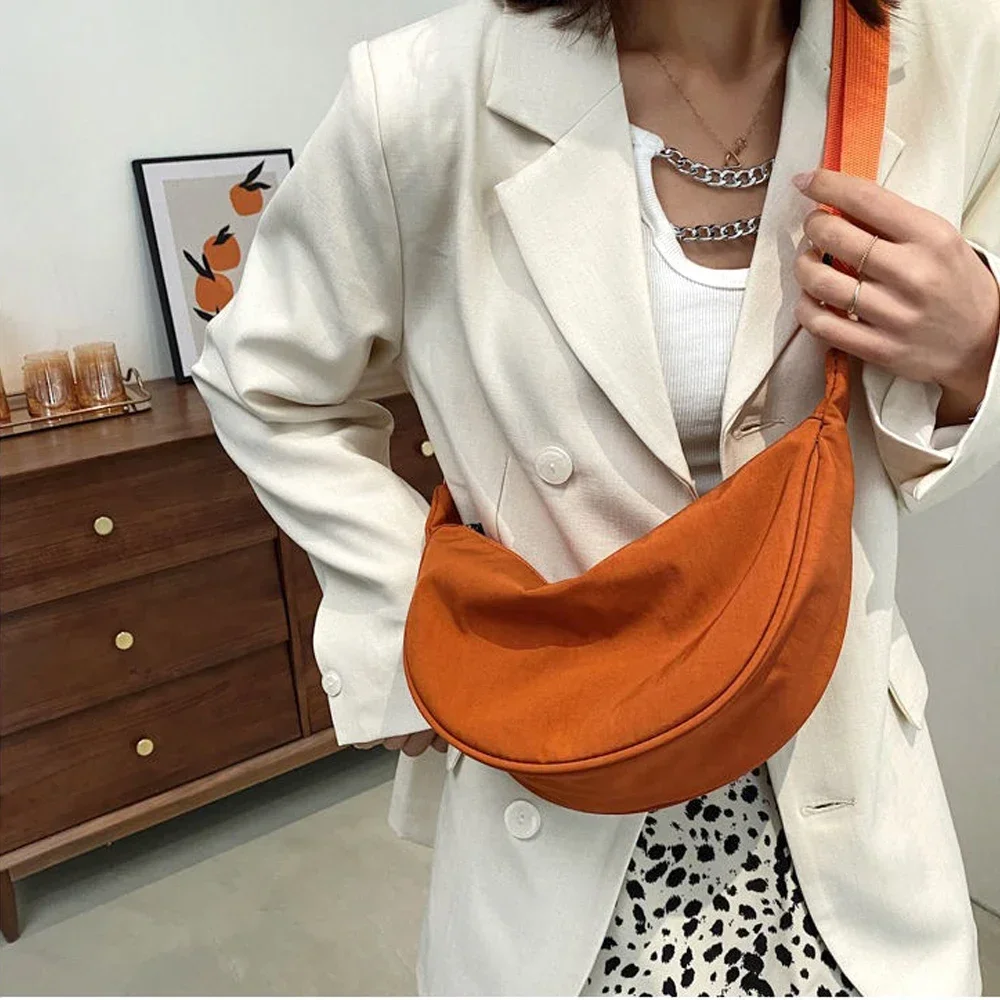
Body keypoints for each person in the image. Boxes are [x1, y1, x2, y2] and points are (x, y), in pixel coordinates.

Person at [192, 0, 1000, 993]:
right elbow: (264, 383)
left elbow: (950, 403)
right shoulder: (426, 94)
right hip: (568, 770)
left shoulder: (955, 55)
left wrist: (977, 346)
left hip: (838, 777)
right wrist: (411, 619)